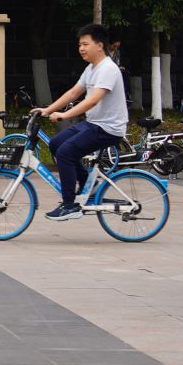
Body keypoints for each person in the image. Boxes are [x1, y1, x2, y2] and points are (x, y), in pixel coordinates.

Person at [37, 23, 129, 222]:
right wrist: (48, 110)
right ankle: (89, 183)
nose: (81, 48)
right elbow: (73, 92)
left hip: (108, 128)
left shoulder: (108, 69)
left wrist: (64, 115)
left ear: (100, 45)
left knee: (66, 152)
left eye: (85, 44)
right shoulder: (91, 69)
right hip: (94, 123)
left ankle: (69, 205)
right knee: (55, 144)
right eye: (80, 44)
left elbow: (92, 100)